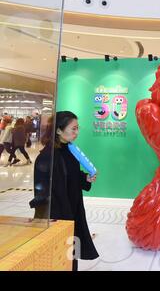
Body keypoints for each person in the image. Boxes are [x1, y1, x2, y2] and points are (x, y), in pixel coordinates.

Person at [29, 111, 99, 271]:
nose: (77, 133)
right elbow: (47, 192)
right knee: (60, 257)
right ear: (59, 130)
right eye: (73, 129)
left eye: (78, 128)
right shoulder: (48, 156)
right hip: (59, 214)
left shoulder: (69, 150)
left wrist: (85, 178)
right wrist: (63, 221)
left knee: (70, 256)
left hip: (71, 209)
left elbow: (71, 175)